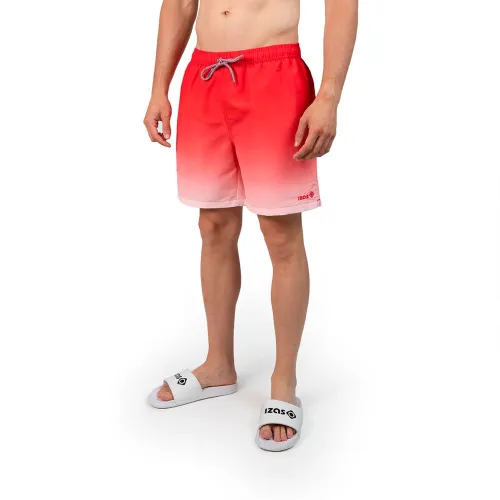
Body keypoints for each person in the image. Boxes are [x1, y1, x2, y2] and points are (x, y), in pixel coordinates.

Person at [144, 0, 357, 452]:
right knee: (214, 226)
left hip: (274, 76)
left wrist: (329, 96)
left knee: (281, 235)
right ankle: (218, 364)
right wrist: (159, 87)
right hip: (205, 76)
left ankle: (284, 383)